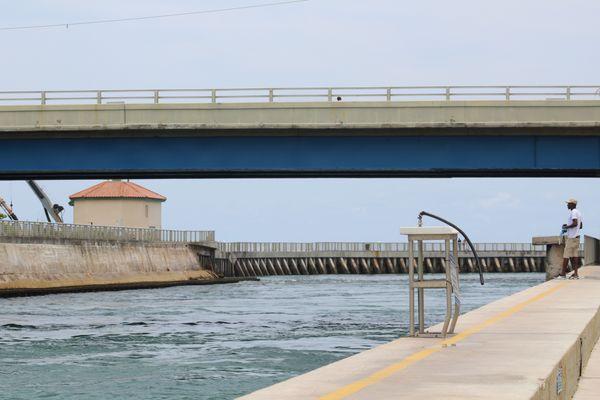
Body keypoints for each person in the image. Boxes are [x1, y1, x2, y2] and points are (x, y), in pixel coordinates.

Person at [559, 198, 583, 279]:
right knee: (574, 256)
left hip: (572, 238)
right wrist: (568, 225)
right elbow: (581, 225)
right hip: (577, 237)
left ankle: (563, 274)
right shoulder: (578, 212)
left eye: (568, 203)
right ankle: (576, 274)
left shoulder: (573, 212)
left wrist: (566, 227)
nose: (567, 205)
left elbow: (575, 223)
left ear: (572, 204)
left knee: (566, 255)